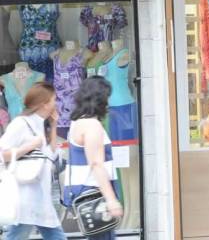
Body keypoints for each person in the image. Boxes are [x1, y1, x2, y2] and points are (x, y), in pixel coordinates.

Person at [0, 82, 65, 240]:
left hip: (40, 198)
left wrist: (54, 125)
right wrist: (29, 147)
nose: (56, 103)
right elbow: (2, 153)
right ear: (44, 104)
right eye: (53, 100)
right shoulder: (21, 124)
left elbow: (51, 156)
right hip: (25, 198)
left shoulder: (39, 124)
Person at [63, 76, 123, 240]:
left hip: (85, 191)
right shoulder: (92, 125)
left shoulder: (78, 122)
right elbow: (96, 164)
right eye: (107, 98)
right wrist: (111, 199)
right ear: (99, 99)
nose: (108, 103)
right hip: (93, 193)